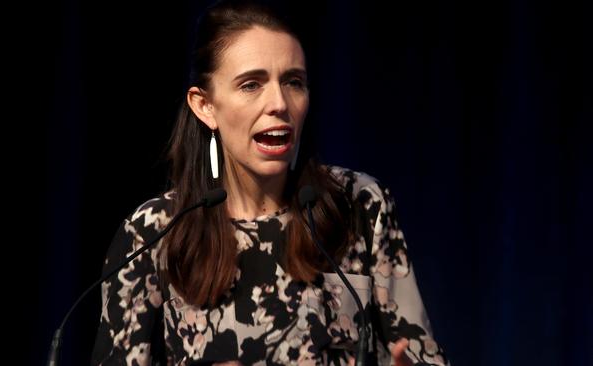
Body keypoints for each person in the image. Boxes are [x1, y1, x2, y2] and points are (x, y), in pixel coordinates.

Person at [91, 1, 448, 365]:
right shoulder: (152, 234)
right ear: (205, 106)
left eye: (294, 82)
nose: (279, 102)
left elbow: (420, 356)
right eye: (251, 84)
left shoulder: (359, 206)